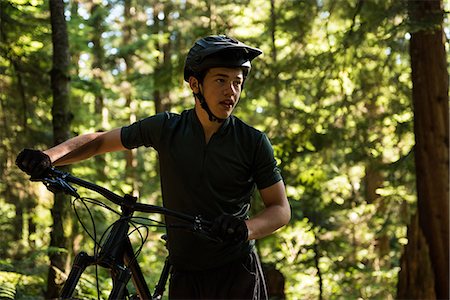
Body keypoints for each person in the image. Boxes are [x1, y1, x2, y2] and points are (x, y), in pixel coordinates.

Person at [16, 35, 291, 299]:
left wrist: (245, 228)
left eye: (237, 83)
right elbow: (99, 141)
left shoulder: (253, 142)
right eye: (221, 80)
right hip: (184, 272)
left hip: (235, 273)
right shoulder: (167, 128)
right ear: (195, 84)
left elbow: (280, 209)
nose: (230, 91)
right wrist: (49, 156)